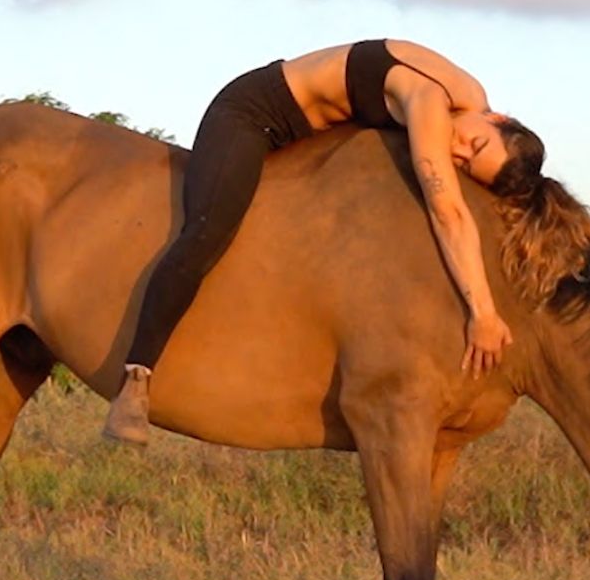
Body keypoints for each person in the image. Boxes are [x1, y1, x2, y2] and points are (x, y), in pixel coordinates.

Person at [103, 39, 547, 445]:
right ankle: (136, 379)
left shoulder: (471, 103)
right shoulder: (431, 103)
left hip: (309, 137)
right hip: (252, 115)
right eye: (475, 143)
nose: (459, 152)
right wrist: (483, 312)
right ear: (497, 118)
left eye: (469, 163)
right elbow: (448, 211)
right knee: (206, 233)